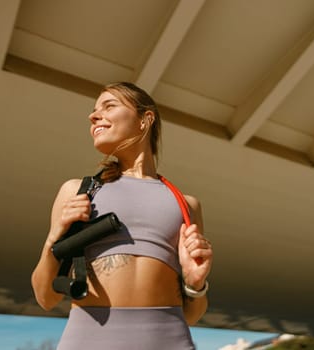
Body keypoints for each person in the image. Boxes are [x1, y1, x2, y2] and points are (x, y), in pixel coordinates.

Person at [31, 82, 213, 349]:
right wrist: (54, 241)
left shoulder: (186, 205)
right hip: (88, 340)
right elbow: (45, 298)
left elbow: (192, 315)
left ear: (145, 119)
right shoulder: (78, 192)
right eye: (94, 111)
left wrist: (196, 283)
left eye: (109, 106)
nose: (93, 116)